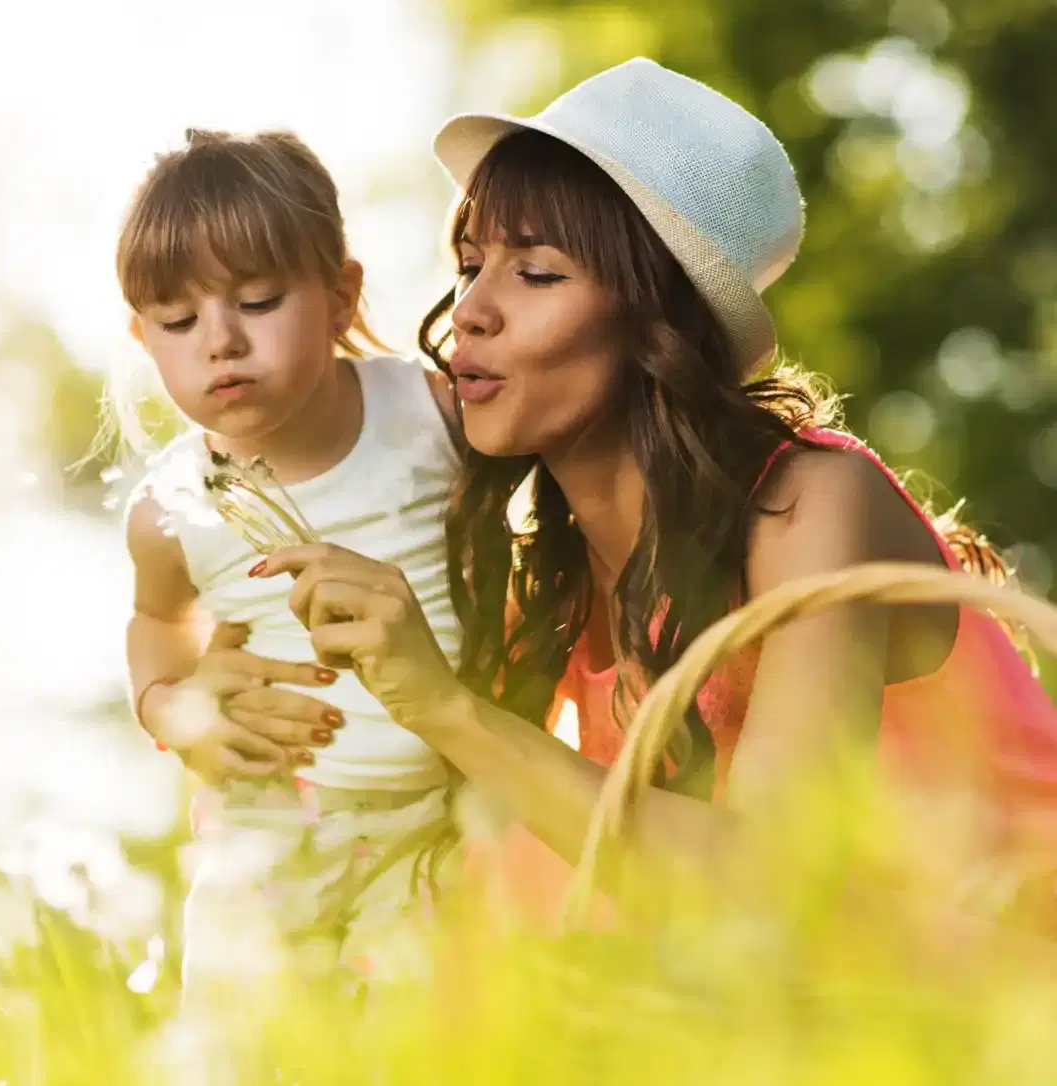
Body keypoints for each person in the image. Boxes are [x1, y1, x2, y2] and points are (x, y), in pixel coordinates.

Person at [247, 59, 1057, 929]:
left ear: (654, 325)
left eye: (537, 273)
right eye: (472, 263)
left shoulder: (814, 502)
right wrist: (212, 702)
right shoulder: (549, 584)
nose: (470, 309)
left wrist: (448, 708)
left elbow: (769, 894)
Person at [116, 128, 462, 998]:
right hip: (268, 822)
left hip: (449, 811)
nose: (220, 341)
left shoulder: (429, 414)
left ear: (341, 295)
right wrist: (171, 708)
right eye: (179, 321)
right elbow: (159, 625)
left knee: (418, 1039)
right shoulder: (171, 509)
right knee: (253, 1038)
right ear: (143, 337)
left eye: (259, 301)